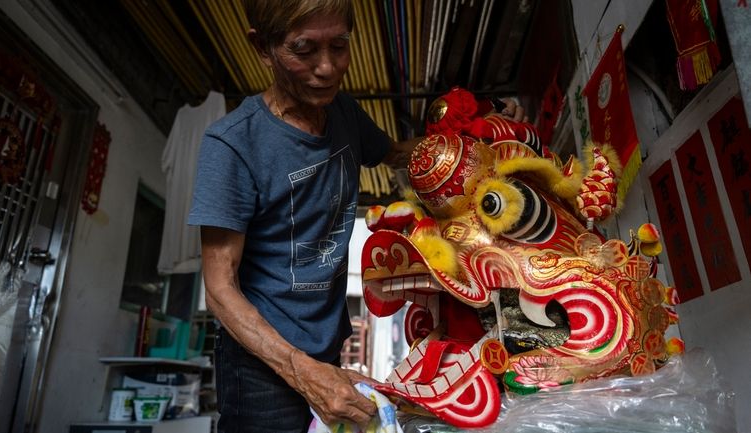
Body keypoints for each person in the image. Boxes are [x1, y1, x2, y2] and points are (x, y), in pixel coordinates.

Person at [188, 1, 524, 432]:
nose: (327, 68)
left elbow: (398, 155)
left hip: (326, 344)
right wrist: (302, 371)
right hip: (261, 363)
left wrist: (480, 131)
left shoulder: (344, 113)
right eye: (304, 49)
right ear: (263, 47)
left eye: (340, 46)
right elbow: (219, 289)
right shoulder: (232, 145)